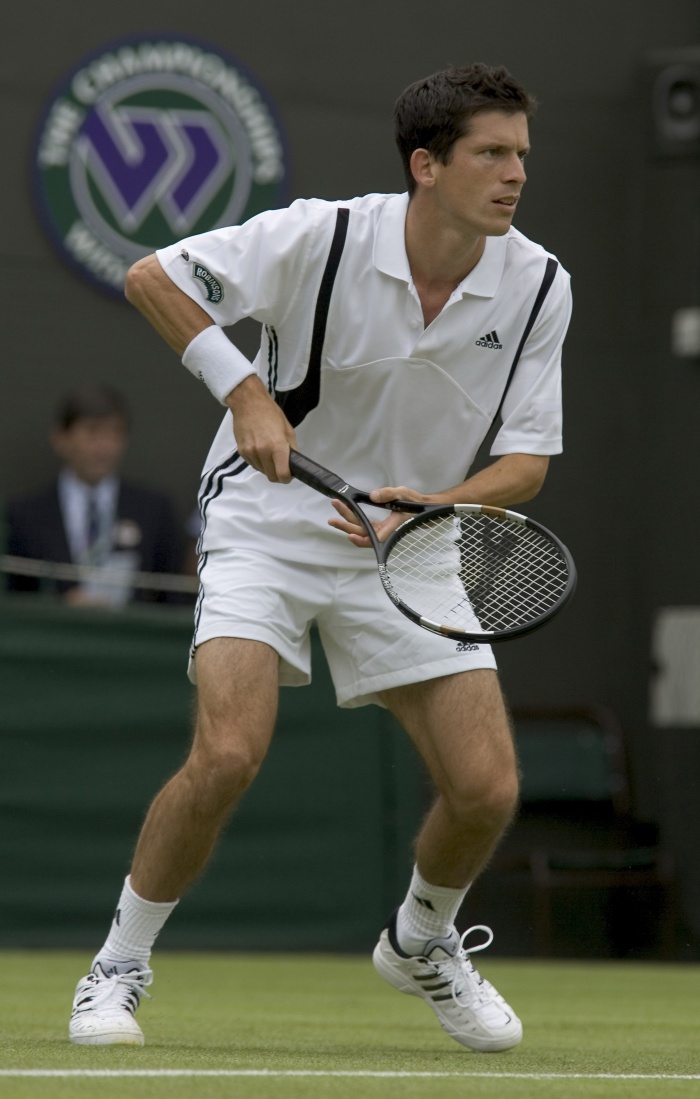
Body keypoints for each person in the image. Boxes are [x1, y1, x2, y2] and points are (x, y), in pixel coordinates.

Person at [68, 63, 571, 1050]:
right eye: (491, 154)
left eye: (520, 153)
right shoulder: (323, 236)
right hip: (266, 520)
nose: (516, 173)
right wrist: (244, 392)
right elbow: (152, 276)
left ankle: (420, 939)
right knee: (227, 753)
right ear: (426, 166)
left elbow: (526, 463)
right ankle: (119, 963)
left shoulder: (541, 284)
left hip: (409, 536)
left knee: (486, 789)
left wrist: (432, 505)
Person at [5, 385, 184, 606]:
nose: (105, 446)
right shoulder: (24, 515)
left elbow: (174, 598)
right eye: (93, 432)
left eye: (115, 433)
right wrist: (61, 605)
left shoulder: (154, 510)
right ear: (60, 438)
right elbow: (13, 599)